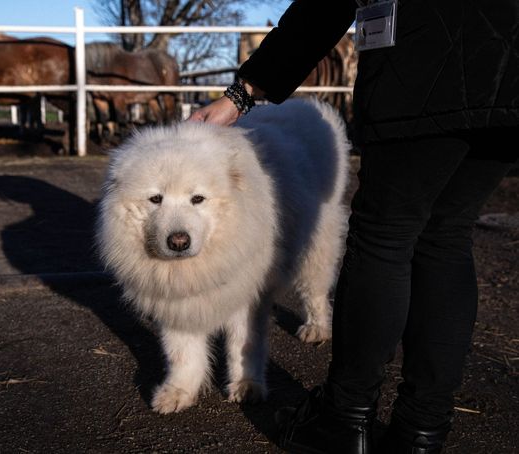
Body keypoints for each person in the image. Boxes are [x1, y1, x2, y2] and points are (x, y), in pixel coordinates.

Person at [189, 0, 519, 453]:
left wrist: (243, 92)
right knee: (447, 237)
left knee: (386, 236)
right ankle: (422, 430)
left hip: (424, 64)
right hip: (511, 74)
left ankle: (344, 420)